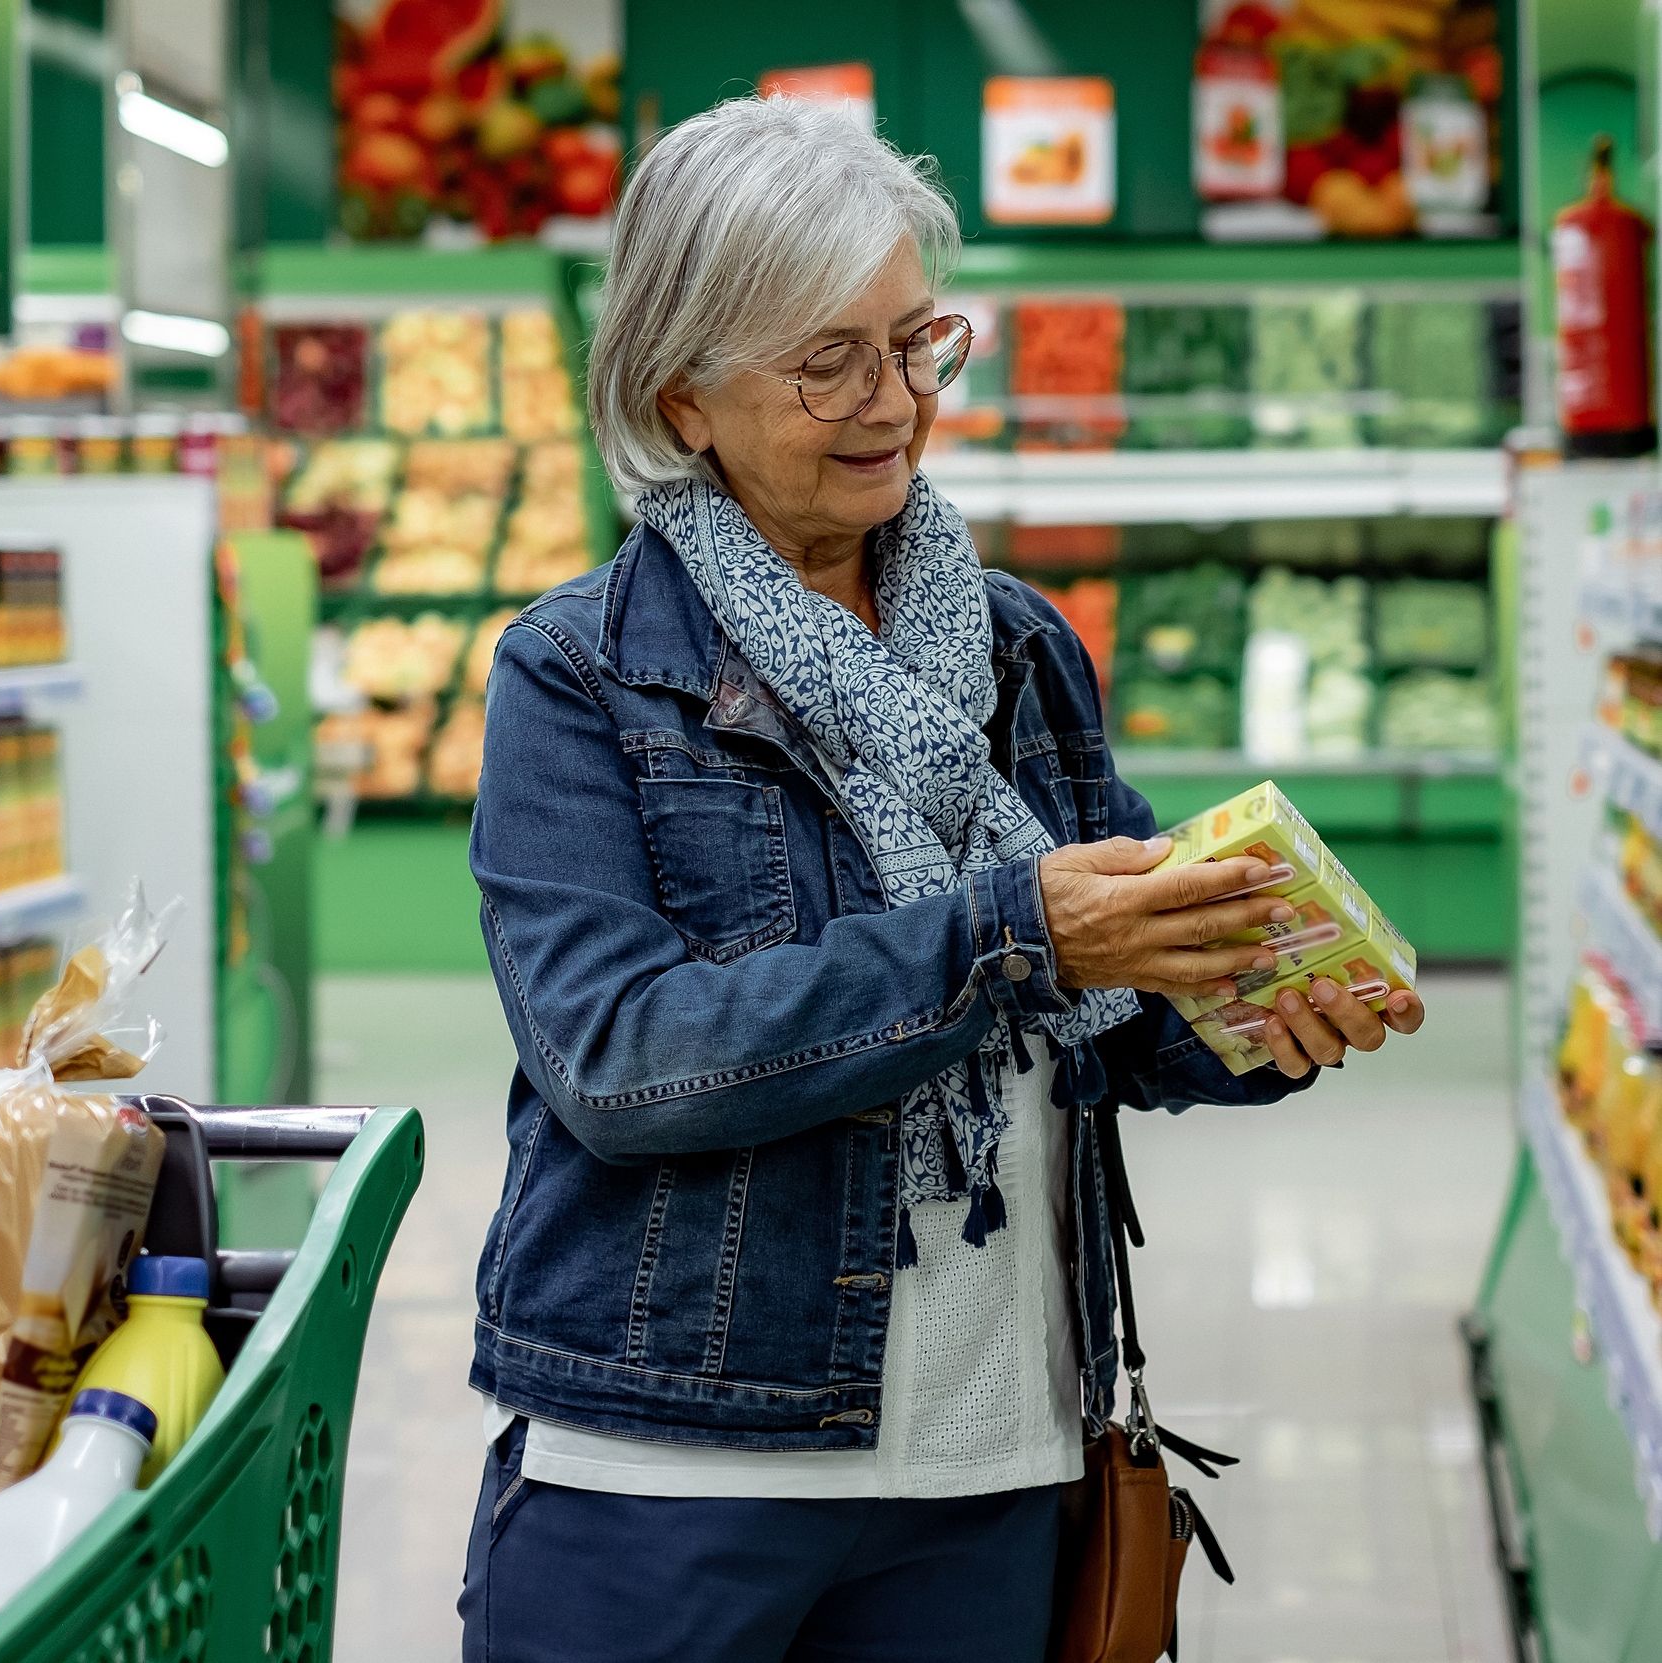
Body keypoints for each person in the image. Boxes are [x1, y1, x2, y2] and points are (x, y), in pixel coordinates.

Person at [458, 97, 1426, 1663]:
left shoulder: (1018, 645)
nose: (895, 402)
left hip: (991, 1449)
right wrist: (1014, 936)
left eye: (917, 343)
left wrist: (1250, 1010)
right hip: (680, 1459)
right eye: (825, 360)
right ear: (680, 395)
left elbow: (1103, 1012)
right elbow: (620, 1061)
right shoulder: (580, 674)